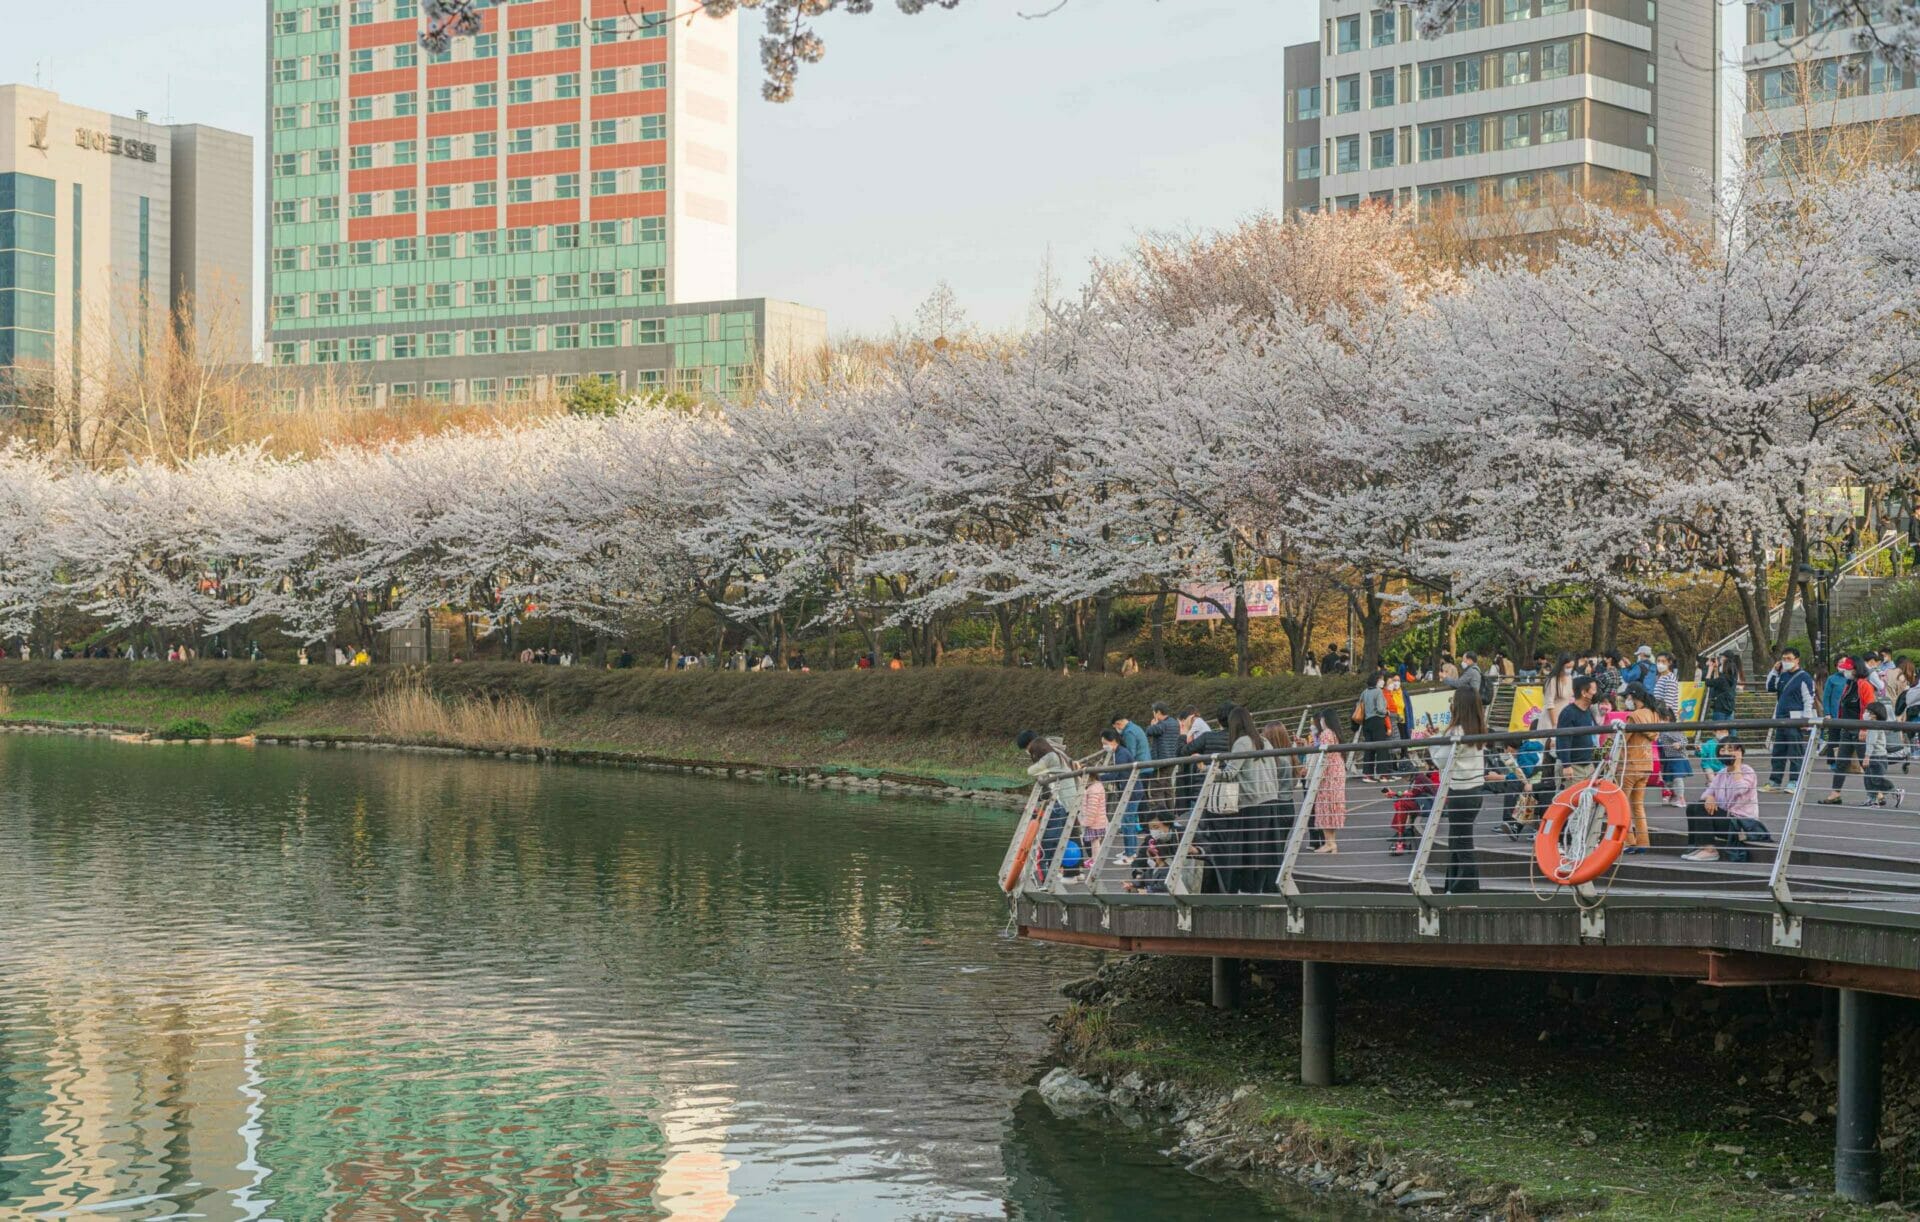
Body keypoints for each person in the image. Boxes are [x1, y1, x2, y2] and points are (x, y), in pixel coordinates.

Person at [1210, 706, 1284, 893]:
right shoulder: (1264, 741)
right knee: (1264, 853)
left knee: (1247, 853)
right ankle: (1258, 890)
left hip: (1252, 803)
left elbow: (1229, 773)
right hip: (1271, 800)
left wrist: (1208, 771)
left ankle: (1246, 891)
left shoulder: (1242, 742)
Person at [1431, 686, 1490, 893]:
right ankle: (1453, 886)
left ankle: (1465, 889)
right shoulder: (1479, 727)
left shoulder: (1456, 731)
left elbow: (1440, 760)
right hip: (1475, 791)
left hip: (1460, 792)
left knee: (1461, 844)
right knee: (1457, 841)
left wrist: (1431, 743)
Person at [1681, 739, 1760, 862]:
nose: (1725, 753)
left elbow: (1739, 790)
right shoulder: (1722, 773)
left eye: (1730, 749)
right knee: (1694, 807)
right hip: (1727, 819)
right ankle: (1696, 846)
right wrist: (1710, 797)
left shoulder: (1747, 771)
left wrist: (1737, 765)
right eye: (1722, 750)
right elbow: (1707, 793)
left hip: (1742, 825)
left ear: (1739, 752)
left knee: (1701, 808)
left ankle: (1710, 850)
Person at [1018, 730, 1078, 883]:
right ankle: (1073, 872)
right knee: (1070, 834)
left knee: (1050, 841)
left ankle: (1049, 879)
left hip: (1061, 801)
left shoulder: (1049, 757)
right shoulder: (1057, 752)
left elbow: (1036, 774)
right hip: (1070, 798)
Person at [1817, 657, 1876, 806]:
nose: (1845, 671)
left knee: (1865, 763)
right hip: (1847, 728)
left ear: (1856, 669)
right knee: (1841, 763)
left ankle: (1877, 794)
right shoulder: (1849, 684)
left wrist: (1864, 728)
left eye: (1848, 669)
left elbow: (1870, 709)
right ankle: (1835, 793)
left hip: (1859, 729)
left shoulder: (1864, 685)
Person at [1765, 647, 1818, 792]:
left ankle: (1794, 781)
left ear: (1797, 660)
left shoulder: (1804, 677)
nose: (1786, 661)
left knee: (1795, 752)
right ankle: (1774, 782)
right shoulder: (1782, 675)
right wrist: (1774, 671)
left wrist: (1806, 720)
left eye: (1789, 659)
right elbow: (1769, 687)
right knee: (1778, 751)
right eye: (1784, 659)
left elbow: (1809, 699)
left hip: (1795, 719)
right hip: (1781, 718)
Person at [1618, 684, 1660, 854]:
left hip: (1629, 766)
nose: (1627, 701)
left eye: (1628, 697)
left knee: (1622, 805)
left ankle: (1628, 841)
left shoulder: (1634, 716)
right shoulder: (1653, 714)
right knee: (1638, 806)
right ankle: (1643, 842)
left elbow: (1623, 740)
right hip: (1646, 765)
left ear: (1634, 697)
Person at [1311, 713, 1346, 854]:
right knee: (1333, 805)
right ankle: (1331, 842)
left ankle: (1329, 842)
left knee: (1324, 806)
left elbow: (1323, 756)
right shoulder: (1336, 733)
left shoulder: (1326, 733)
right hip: (1338, 771)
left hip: (1328, 773)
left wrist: (1317, 776)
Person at [1556, 675, 1600, 780]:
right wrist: (1566, 765)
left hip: (1587, 765)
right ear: (1584, 693)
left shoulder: (1588, 711)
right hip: (1573, 767)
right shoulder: (1568, 713)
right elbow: (1563, 739)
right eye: (1594, 690)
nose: (1596, 693)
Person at [1144, 703, 1184, 817]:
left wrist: (1152, 724)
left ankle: (1163, 817)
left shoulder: (1162, 725)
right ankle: (1171, 815)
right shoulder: (1174, 723)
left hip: (1161, 762)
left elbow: (1149, 731)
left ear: (1158, 712)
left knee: (1157, 789)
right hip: (1172, 760)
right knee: (1167, 788)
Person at [1862, 701, 1903, 809]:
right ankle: (1872, 800)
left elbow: (1871, 743)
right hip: (1879, 756)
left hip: (1876, 757)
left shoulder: (1874, 726)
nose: (1865, 714)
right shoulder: (1876, 725)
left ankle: (1895, 791)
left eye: (1867, 712)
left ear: (1874, 714)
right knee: (1869, 779)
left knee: (1875, 779)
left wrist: (1867, 757)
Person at [1358, 671, 1392, 779]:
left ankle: (1368, 774)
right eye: (1381, 679)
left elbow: (1360, 705)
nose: (1383, 681)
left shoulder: (1364, 692)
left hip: (1366, 722)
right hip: (1377, 721)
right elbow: (1381, 709)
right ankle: (1383, 774)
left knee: (1369, 749)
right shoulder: (1378, 692)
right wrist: (1387, 712)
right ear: (1377, 680)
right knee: (1381, 748)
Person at [1703, 653, 1738, 724]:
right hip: (1729, 707)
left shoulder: (1723, 679)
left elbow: (1708, 682)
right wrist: (1715, 670)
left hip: (1720, 709)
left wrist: (1710, 669)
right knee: (1730, 731)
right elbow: (1717, 682)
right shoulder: (1732, 678)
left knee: (1719, 731)